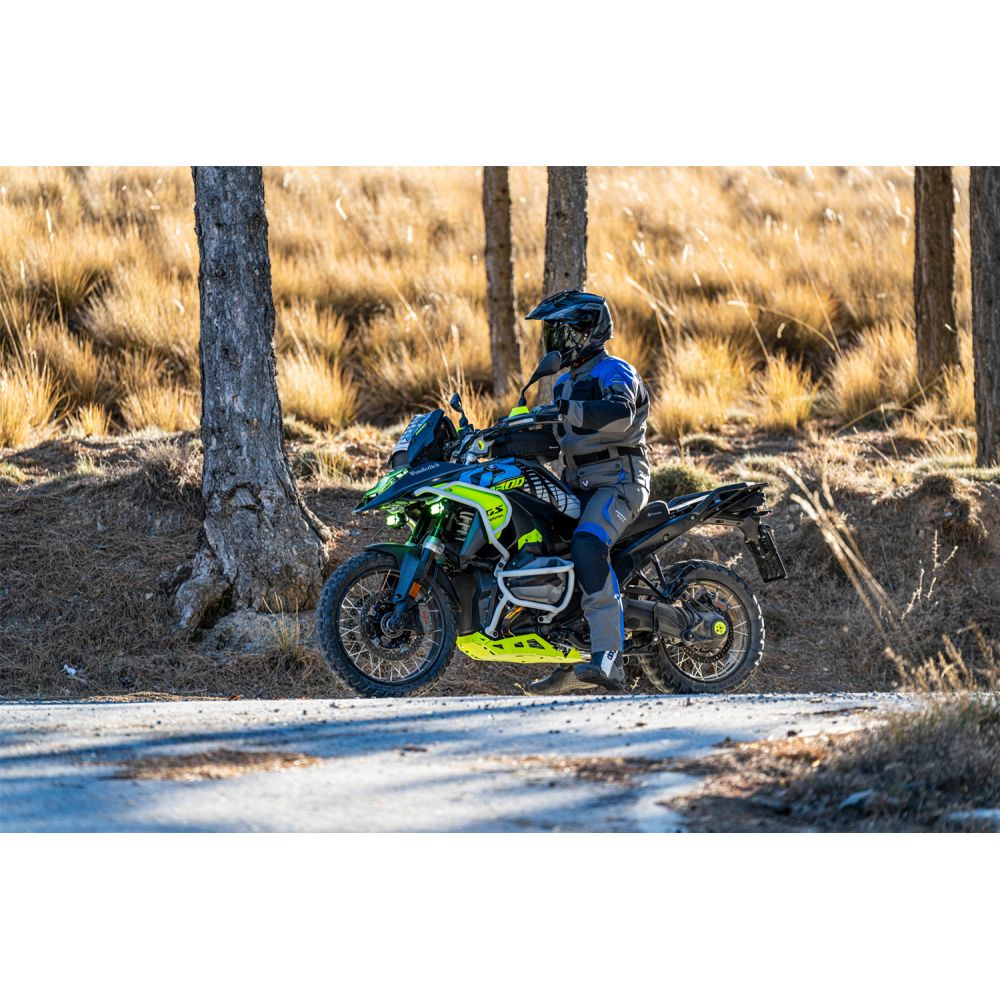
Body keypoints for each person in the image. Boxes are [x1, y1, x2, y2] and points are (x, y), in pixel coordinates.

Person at [525, 289, 650, 693]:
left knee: (587, 544)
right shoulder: (563, 383)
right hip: (575, 482)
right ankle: (567, 653)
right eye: (551, 333)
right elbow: (554, 438)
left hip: (619, 481)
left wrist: (566, 411)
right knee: (540, 543)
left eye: (560, 331)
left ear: (586, 331)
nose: (553, 340)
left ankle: (609, 657)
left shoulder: (616, 371)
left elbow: (619, 414)